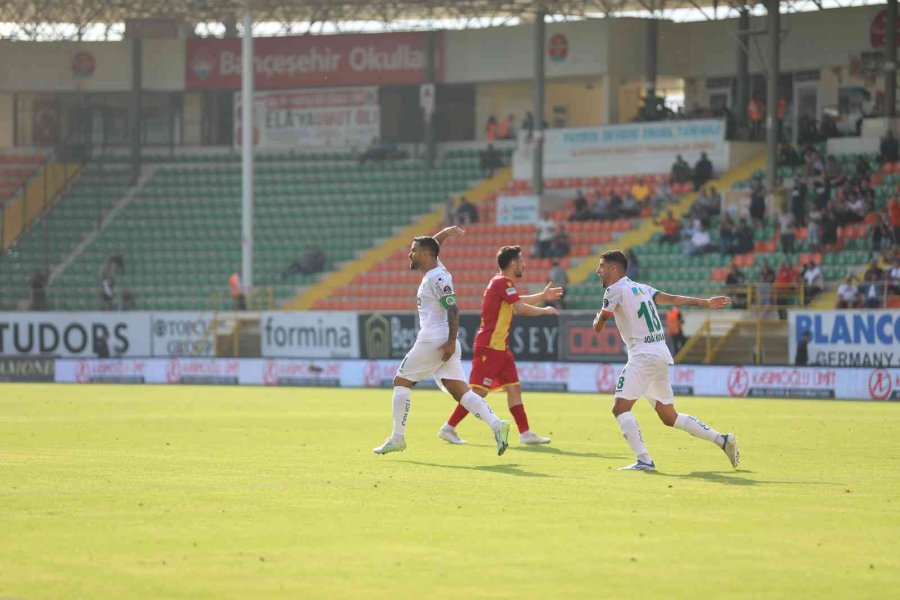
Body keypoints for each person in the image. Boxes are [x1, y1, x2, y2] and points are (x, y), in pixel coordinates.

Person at [592, 250, 738, 471]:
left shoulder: (614, 290)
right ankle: (723, 440)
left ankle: (644, 460)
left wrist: (598, 319)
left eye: (602, 266)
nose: (598, 271)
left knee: (620, 408)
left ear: (613, 268)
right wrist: (705, 303)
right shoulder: (642, 288)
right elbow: (673, 299)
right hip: (660, 353)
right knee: (669, 416)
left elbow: (599, 327)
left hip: (643, 355)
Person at [373, 229, 511, 456]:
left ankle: (397, 438)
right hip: (444, 341)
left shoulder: (437, 277)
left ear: (425, 255)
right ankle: (497, 425)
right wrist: (445, 233)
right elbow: (433, 245)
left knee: (401, 381)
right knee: (461, 393)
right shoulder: (436, 270)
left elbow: (453, 308)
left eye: (413, 251)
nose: (409, 254)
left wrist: (450, 341)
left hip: (435, 340)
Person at [438, 245, 562, 446]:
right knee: (478, 392)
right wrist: (545, 310)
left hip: (501, 348)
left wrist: (541, 297)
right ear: (513, 263)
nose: (523, 264)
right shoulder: (503, 282)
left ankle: (525, 433)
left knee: (514, 388)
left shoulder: (501, 283)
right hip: (489, 347)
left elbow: (516, 301)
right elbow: (520, 308)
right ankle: (448, 428)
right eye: (521, 260)